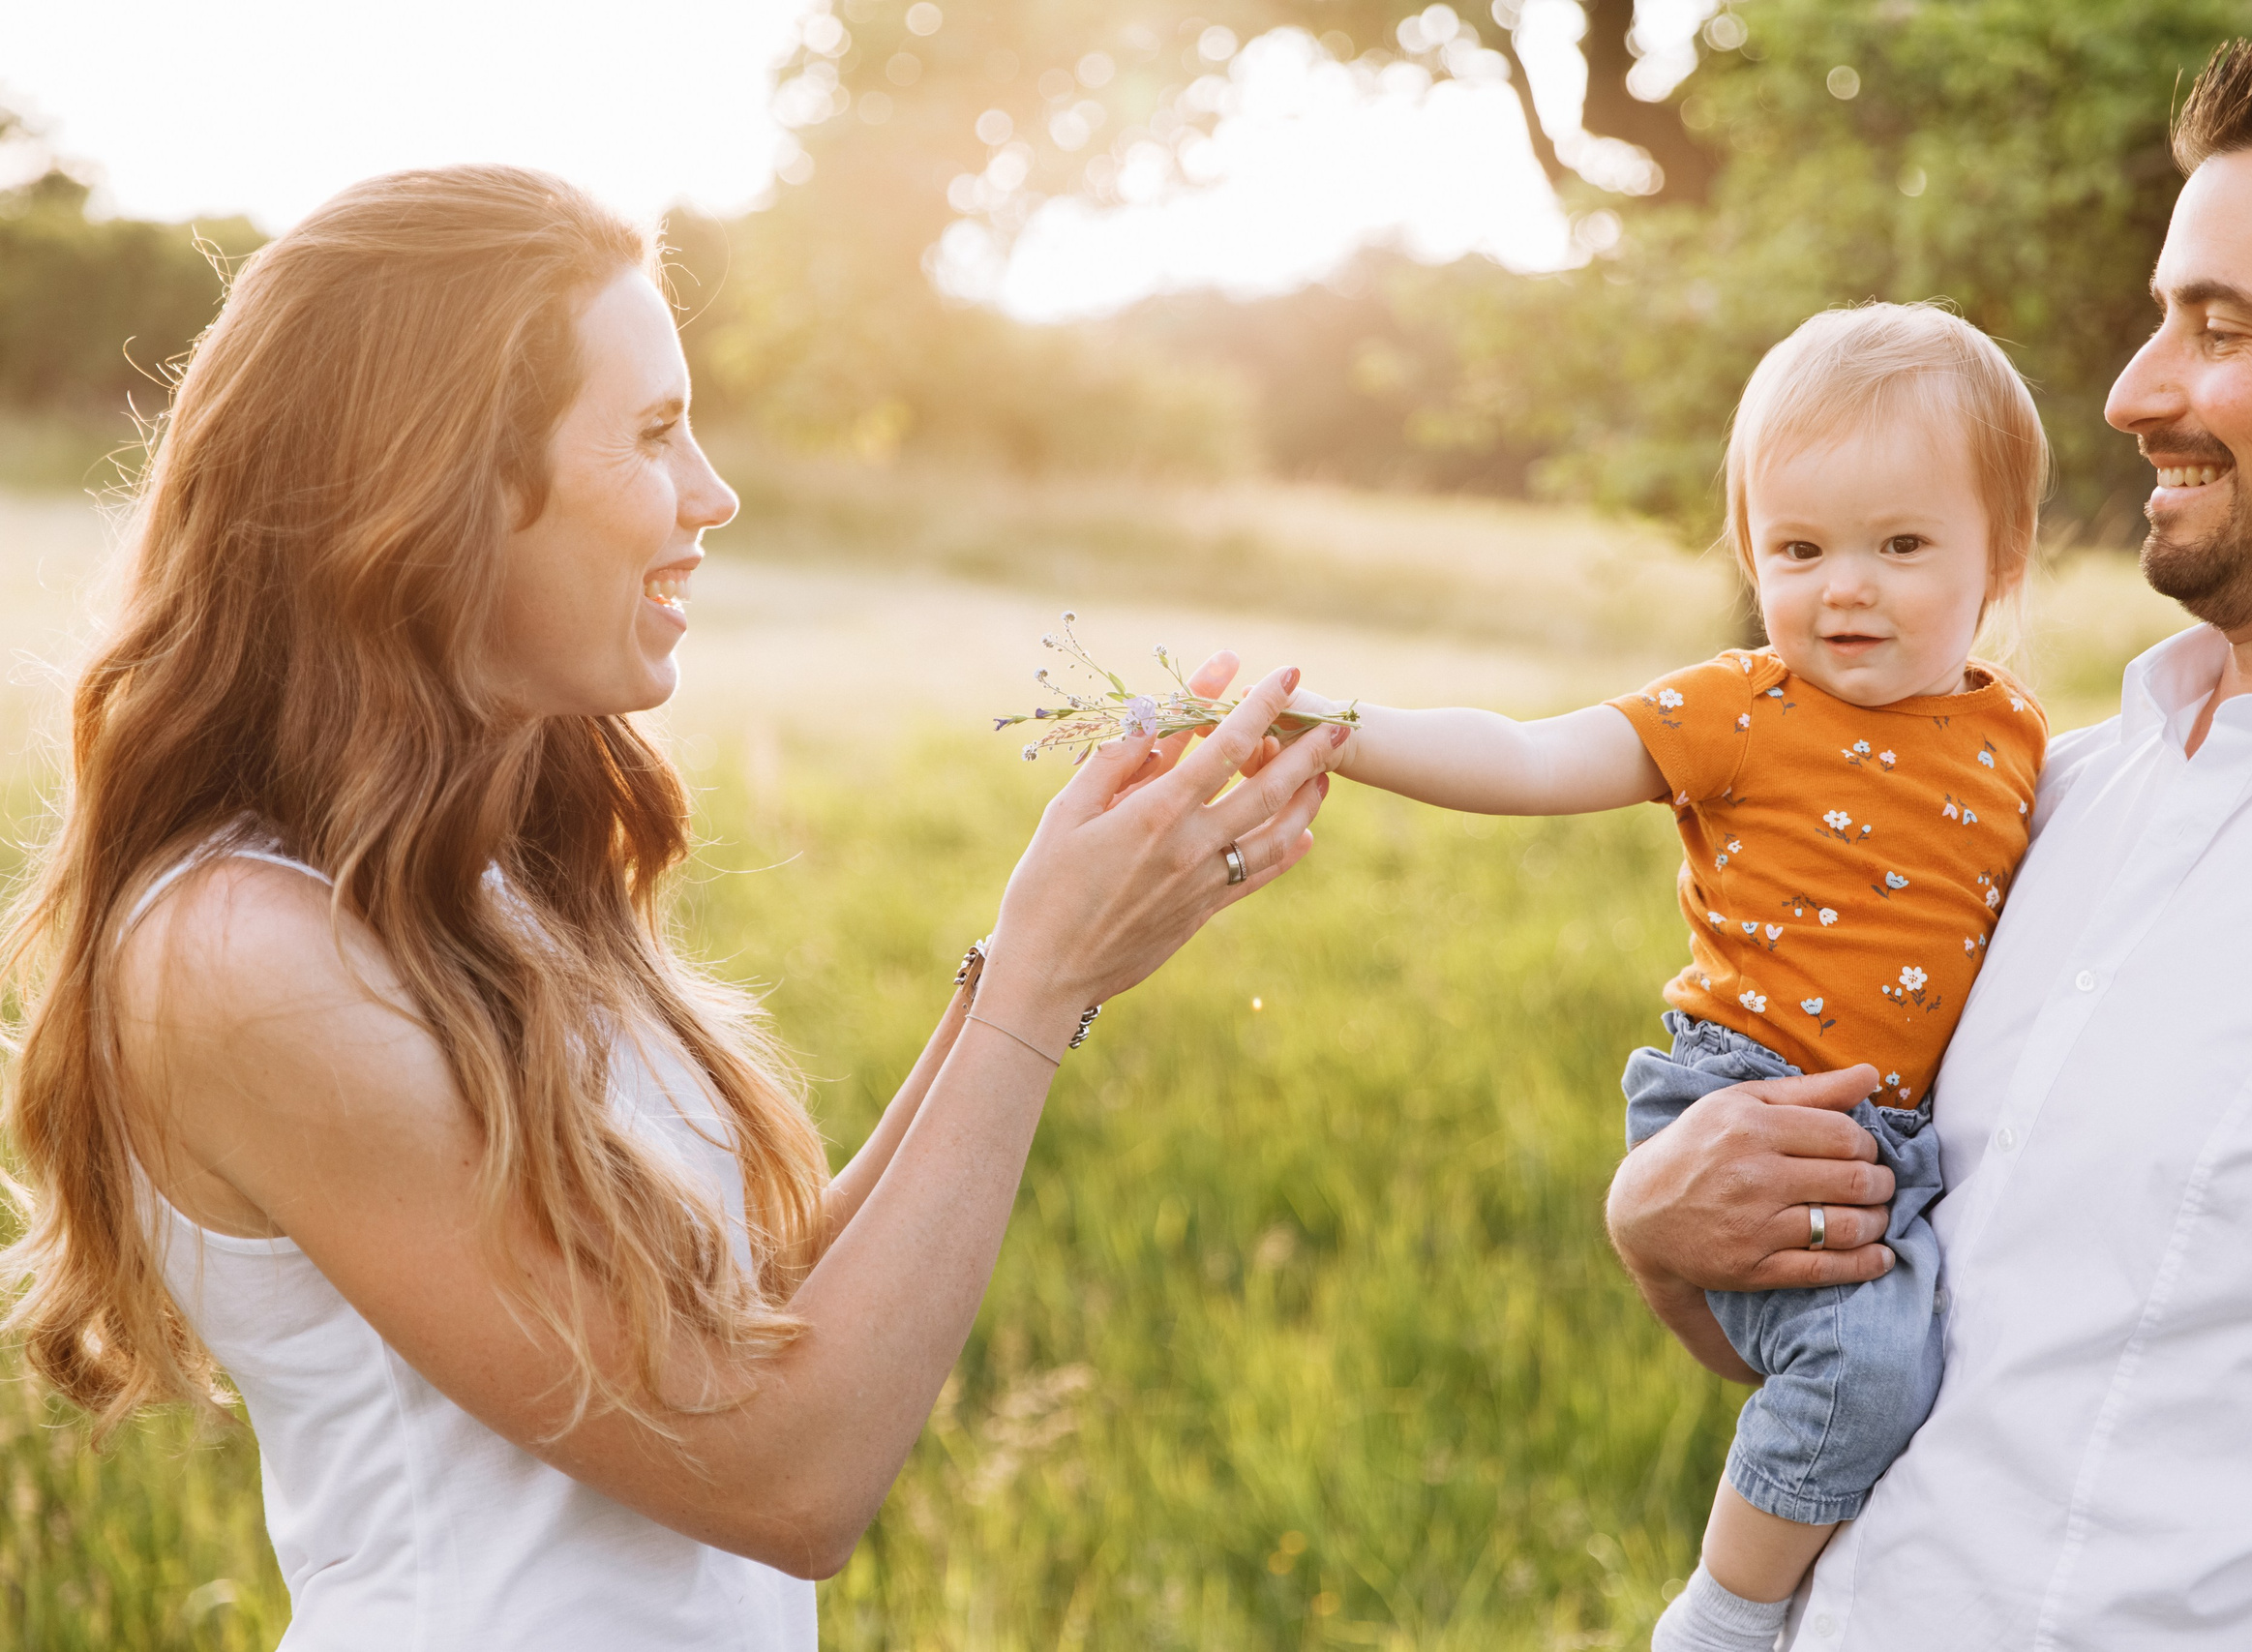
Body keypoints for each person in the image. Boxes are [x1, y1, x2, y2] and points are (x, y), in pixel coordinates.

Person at [0, 165, 1346, 1650]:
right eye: (651, 434)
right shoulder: (241, 956)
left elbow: (733, 1336)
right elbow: (784, 1474)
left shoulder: (486, 879)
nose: (715, 494)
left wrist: (1043, 960)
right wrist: (1034, 985)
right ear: (435, 484)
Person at [1605, 41, 2252, 1647]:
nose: (2132, 392)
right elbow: (1894, 1338)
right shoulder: (2048, 803)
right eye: (2159, 319)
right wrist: (1666, 1238)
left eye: (2218, 328)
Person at [1286, 301, 2050, 1647]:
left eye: (1901, 545)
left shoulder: (2019, 734)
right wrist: (1348, 732)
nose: (1843, 586)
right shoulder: (1737, 709)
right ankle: (1724, 1611)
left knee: (1934, 1360)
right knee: (1867, 1366)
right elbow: (1528, 757)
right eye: (1799, 548)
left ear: (2003, 558)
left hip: (1892, 1134)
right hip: (1744, 1097)